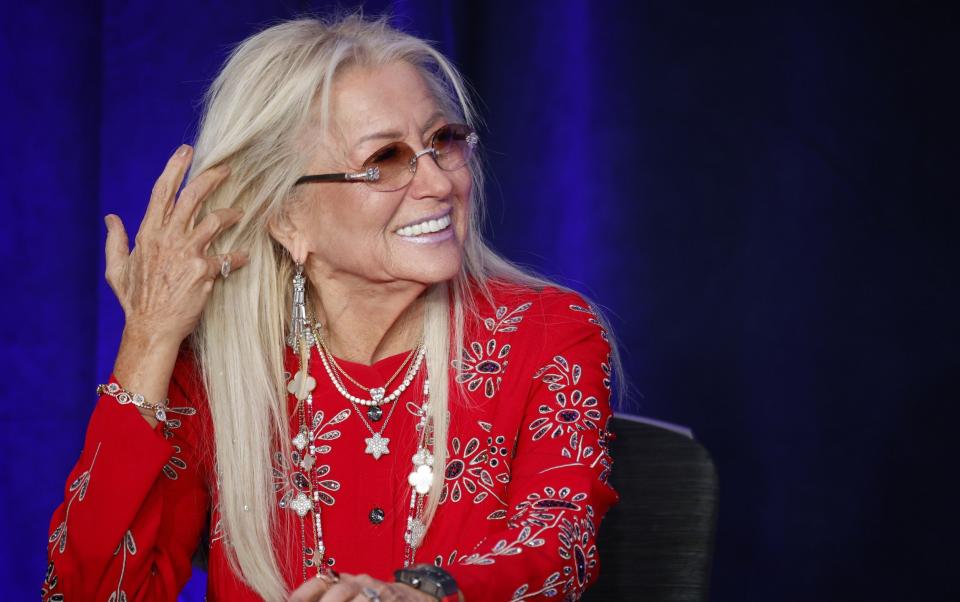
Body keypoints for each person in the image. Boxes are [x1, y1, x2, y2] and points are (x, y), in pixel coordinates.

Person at [43, 15, 619, 602]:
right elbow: (86, 592)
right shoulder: (220, 371)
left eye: (442, 141)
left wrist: (422, 595)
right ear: (287, 217)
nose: (440, 184)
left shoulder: (550, 333)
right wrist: (149, 339)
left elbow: (558, 547)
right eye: (386, 159)